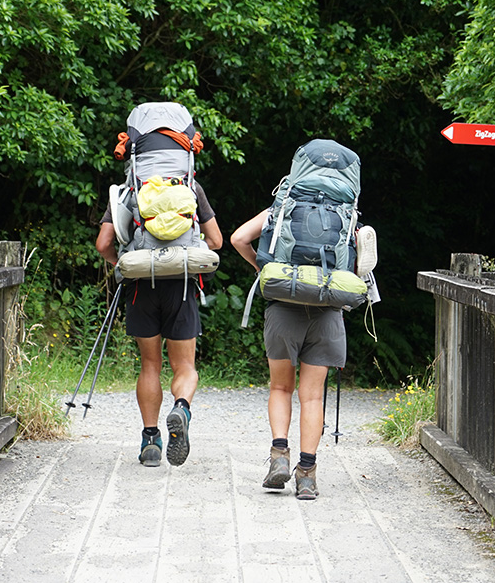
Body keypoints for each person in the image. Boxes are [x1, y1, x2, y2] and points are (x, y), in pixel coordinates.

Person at [96, 180, 222, 468]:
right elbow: (215, 241)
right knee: (185, 366)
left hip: (141, 284)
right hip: (181, 283)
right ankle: (181, 410)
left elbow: (103, 243)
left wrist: (124, 264)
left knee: (150, 364)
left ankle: (150, 441)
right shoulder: (191, 187)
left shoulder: (131, 189)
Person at [230, 209, 345, 500]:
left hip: (282, 307)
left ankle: (279, 455)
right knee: (313, 396)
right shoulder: (343, 210)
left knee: (281, 387)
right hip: (326, 309)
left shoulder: (282, 206)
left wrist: (264, 269)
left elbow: (238, 238)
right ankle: (306, 476)